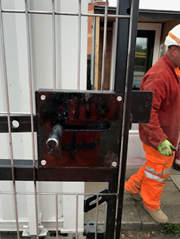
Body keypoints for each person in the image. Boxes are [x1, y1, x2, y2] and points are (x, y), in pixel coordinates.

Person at [125, 24, 180, 224]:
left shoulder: (174, 69)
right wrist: (161, 140)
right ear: (174, 50)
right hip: (160, 139)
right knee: (158, 174)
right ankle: (151, 204)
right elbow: (147, 113)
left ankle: (131, 187)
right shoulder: (159, 76)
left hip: (166, 135)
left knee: (152, 168)